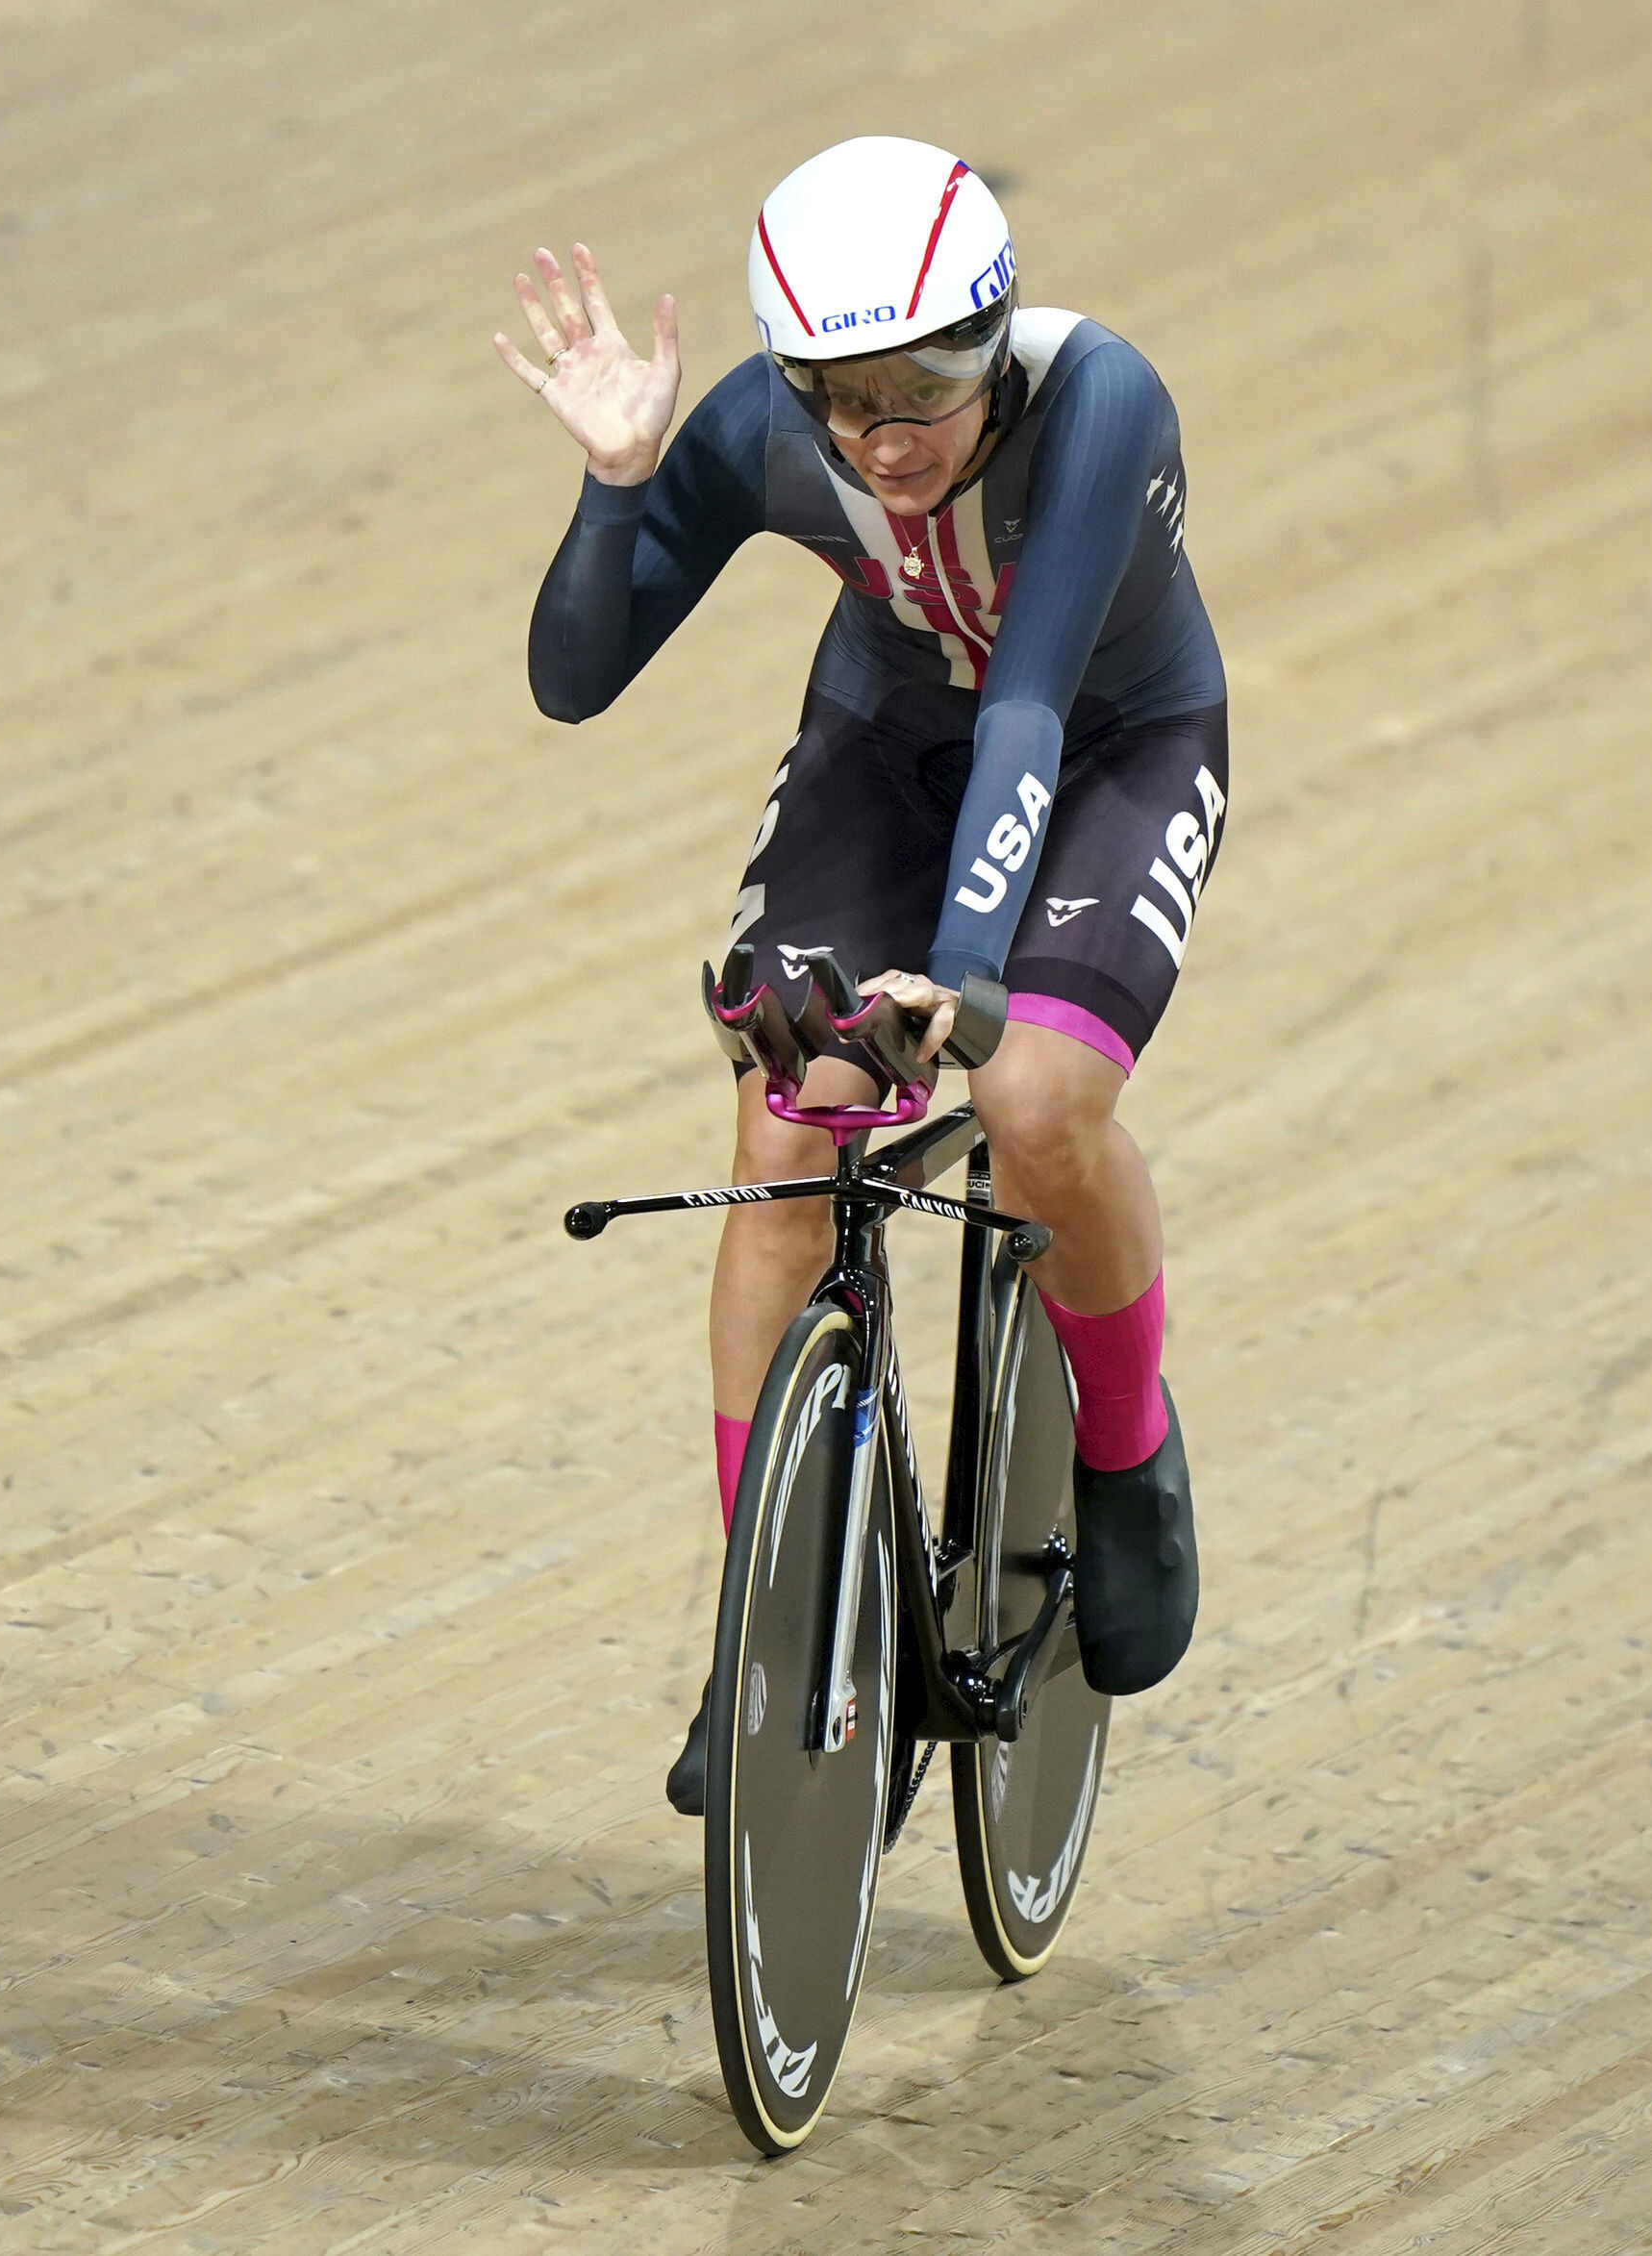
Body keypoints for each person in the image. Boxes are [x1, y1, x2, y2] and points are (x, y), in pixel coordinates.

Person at [494, 137, 1224, 1814]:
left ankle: (1127, 1455)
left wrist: (961, 987)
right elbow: (573, 679)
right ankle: (772, 1631)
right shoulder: (773, 431)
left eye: (923, 392)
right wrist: (623, 481)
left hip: (1111, 745)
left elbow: (1031, 705)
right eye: (841, 397)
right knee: (782, 1133)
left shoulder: (1101, 403)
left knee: (1033, 1096)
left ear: (996, 341)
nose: (886, 441)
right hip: (888, 742)